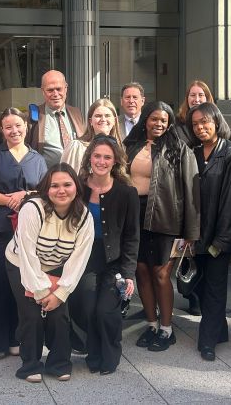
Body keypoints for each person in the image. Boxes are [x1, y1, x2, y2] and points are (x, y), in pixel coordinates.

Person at [0, 107, 48, 364]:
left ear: (26, 126)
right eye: (8, 127)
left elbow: (44, 192)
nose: (14, 131)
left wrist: (24, 195)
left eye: (18, 125)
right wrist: (8, 199)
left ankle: (16, 339)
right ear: (2, 130)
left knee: (22, 286)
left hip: (27, 231)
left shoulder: (37, 158)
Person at [5, 163, 94, 383]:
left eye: (67, 184)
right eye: (54, 185)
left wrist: (60, 294)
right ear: (46, 188)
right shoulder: (32, 208)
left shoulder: (83, 216)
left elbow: (78, 260)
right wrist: (41, 292)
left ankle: (59, 363)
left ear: (76, 187)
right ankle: (30, 364)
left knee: (59, 314)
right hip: (20, 264)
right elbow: (27, 255)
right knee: (32, 314)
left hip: (56, 266)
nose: (61, 190)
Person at [124, 101, 200, 352]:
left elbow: (191, 191)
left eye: (163, 120)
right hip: (134, 217)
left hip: (166, 219)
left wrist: (190, 232)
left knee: (161, 274)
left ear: (169, 124)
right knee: (142, 272)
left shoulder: (179, 149)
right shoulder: (130, 146)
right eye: (154, 119)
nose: (158, 124)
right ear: (145, 120)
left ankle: (167, 329)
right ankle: (152, 324)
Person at [70, 135, 139, 374]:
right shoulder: (77, 186)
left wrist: (129, 273)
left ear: (115, 161)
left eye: (107, 157)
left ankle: (110, 356)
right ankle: (94, 352)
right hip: (83, 259)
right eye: (97, 156)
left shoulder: (126, 192)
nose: (101, 161)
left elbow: (132, 236)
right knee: (87, 307)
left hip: (114, 262)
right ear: (90, 158)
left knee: (106, 311)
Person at [189, 102, 231, 361]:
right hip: (195, 233)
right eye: (196, 124)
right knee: (197, 286)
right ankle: (219, 329)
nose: (201, 127)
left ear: (216, 121)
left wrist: (221, 241)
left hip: (217, 237)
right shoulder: (192, 151)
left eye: (205, 122)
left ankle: (207, 341)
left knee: (214, 288)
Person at [27, 70, 85, 167]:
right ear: (43, 91)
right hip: (47, 177)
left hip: (75, 177)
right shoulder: (34, 115)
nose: (55, 94)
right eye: (50, 90)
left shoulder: (76, 113)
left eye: (59, 89)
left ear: (66, 88)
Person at [61, 98, 122, 172]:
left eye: (107, 116)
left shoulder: (120, 149)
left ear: (114, 121)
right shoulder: (77, 147)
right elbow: (64, 177)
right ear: (90, 121)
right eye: (98, 116)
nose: (103, 119)